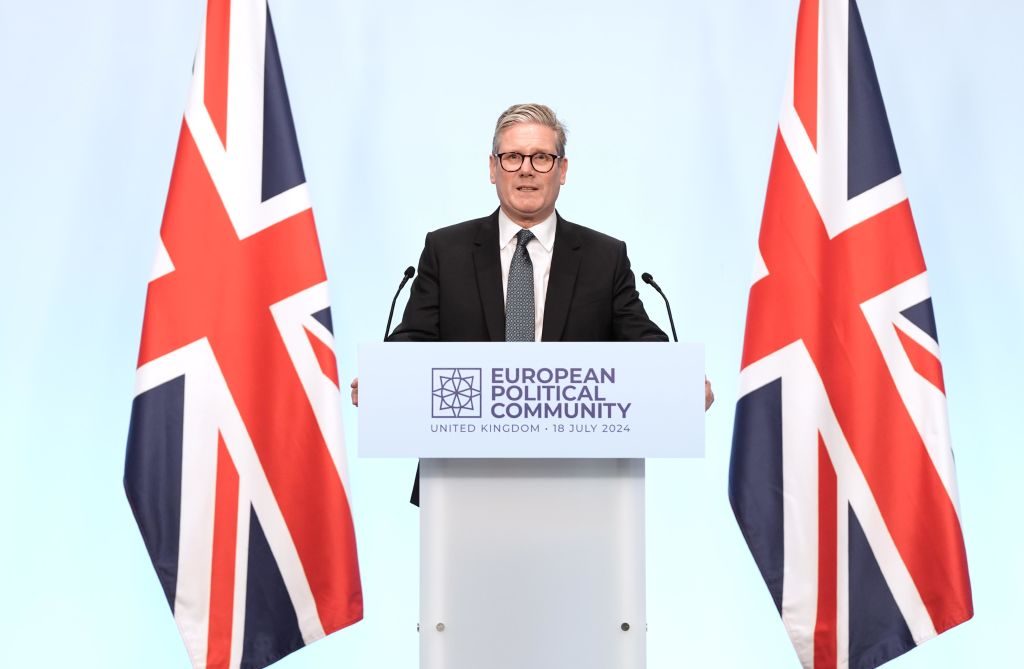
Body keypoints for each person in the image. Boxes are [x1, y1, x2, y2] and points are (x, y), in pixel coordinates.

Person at [350, 103, 713, 501]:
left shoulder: (603, 257)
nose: (526, 169)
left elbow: (642, 344)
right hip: (462, 482)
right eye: (512, 157)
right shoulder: (446, 250)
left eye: (542, 157)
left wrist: (680, 384)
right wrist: (384, 381)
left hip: (579, 485)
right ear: (492, 168)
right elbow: (413, 341)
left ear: (563, 170)